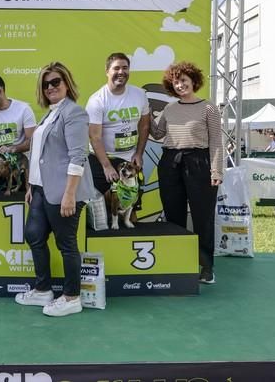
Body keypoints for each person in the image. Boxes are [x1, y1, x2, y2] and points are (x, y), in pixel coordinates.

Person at [14, 61, 95, 317]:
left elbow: (78, 156)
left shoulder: (74, 113)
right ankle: (43, 290)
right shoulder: (50, 113)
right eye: (46, 83)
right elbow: (41, 154)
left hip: (63, 191)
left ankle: (71, 297)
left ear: (67, 83)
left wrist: (70, 194)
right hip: (41, 189)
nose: (50, 87)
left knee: (66, 244)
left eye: (55, 82)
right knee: (34, 235)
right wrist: (31, 185)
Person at [149, 61, 223, 284]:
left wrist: (216, 170)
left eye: (184, 80)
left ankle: (206, 266)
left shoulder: (208, 108)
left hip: (199, 163)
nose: (180, 85)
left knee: (203, 217)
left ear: (193, 81)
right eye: (176, 82)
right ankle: (179, 262)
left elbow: (216, 142)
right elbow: (159, 132)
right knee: (173, 215)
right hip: (170, 162)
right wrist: (144, 117)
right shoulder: (170, 109)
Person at [86, 53, 150, 198]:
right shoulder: (97, 100)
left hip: (130, 160)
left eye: (125, 68)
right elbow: (94, 137)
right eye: (116, 68)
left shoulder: (140, 94)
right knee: (101, 211)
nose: (121, 72)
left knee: (129, 208)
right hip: (102, 161)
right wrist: (107, 166)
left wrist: (139, 153)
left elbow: (145, 126)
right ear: (107, 71)